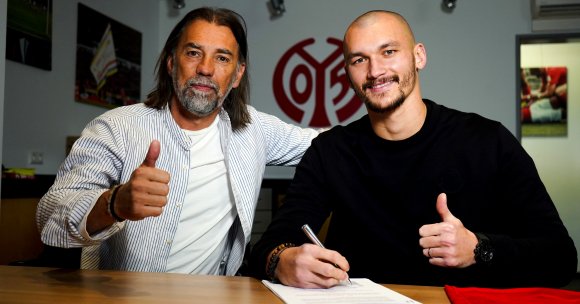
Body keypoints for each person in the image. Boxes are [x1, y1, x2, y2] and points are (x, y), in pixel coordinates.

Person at [249, 10, 577, 288]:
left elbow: (561, 257)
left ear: (418, 56)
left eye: (388, 52)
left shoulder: (487, 141)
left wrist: (479, 249)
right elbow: (272, 243)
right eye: (359, 59)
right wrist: (282, 260)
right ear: (347, 74)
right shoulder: (330, 151)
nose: (375, 71)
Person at [37, 7, 318, 276]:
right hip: (123, 298)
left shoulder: (255, 129)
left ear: (237, 74)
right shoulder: (118, 127)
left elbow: (328, 143)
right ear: (172, 62)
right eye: (194, 53)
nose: (205, 69)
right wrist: (114, 204)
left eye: (222, 58)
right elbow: (49, 216)